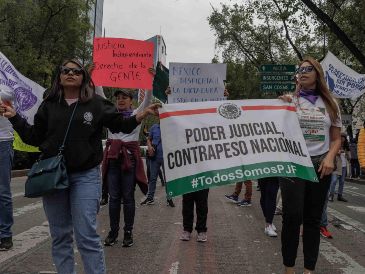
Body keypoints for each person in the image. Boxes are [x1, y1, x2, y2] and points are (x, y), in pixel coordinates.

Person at [0, 59, 159, 274]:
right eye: (66, 70)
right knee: (60, 235)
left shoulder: (95, 104)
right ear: (60, 76)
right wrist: (15, 117)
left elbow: (121, 125)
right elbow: (34, 138)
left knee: (86, 235)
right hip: (53, 176)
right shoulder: (48, 104)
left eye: (77, 71)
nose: (71, 74)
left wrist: (142, 114)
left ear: (84, 77)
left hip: (85, 176)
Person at [279, 57, 341, 274]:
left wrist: (330, 157)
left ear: (318, 74)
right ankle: (289, 269)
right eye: (300, 69)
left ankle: (309, 270)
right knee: (292, 217)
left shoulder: (332, 103)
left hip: (320, 166)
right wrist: (280, 106)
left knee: (313, 220)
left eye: (308, 69)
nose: (303, 72)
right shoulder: (289, 101)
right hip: (293, 164)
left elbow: (336, 139)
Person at [102, 85, 152, 248]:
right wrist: (94, 78)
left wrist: (149, 82)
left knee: (128, 198)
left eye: (124, 97)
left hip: (128, 163)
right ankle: (113, 232)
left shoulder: (137, 114)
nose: (120, 100)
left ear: (131, 101)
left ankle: (128, 232)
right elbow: (100, 96)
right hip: (113, 161)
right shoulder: (110, 115)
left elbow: (147, 100)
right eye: (118, 98)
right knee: (114, 198)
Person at [141, 121, 175, 207]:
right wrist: (149, 147)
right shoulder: (154, 127)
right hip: (155, 157)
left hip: (166, 158)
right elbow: (148, 138)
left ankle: (169, 198)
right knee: (152, 178)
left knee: (168, 180)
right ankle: (150, 198)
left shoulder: (170, 127)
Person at [0, 91, 14, 251]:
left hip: (3, 142)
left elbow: (15, 99)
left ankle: (5, 235)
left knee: (2, 191)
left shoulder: (6, 84)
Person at [329, 133, 350, 202]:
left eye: (344, 137)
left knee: (342, 181)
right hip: (336, 166)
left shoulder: (346, 146)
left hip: (344, 166)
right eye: (341, 137)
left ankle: (339, 195)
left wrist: (348, 154)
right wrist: (340, 151)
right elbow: (334, 152)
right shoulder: (335, 144)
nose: (342, 139)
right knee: (334, 181)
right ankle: (331, 195)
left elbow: (349, 157)